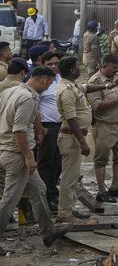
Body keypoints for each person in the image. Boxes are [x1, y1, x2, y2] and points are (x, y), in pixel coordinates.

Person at [0, 66, 69, 246]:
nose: (48, 88)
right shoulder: (27, 98)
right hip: (17, 155)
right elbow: (19, 130)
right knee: (9, 201)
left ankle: (49, 232)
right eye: (48, 84)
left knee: (39, 190)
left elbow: (28, 117)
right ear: (45, 80)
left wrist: (39, 128)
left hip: (8, 150)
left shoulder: (12, 91)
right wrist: (29, 158)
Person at [88, 54, 118, 203]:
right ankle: (101, 191)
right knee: (101, 159)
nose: (116, 70)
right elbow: (97, 105)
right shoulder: (94, 82)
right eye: (114, 67)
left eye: (117, 67)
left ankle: (114, 187)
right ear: (104, 65)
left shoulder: (117, 77)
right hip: (104, 125)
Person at [55, 57, 93, 221]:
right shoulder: (67, 90)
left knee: (73, 176)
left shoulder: (72, 85)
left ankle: (68, 209)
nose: (80, 69)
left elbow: (85, 88)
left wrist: (107, 85)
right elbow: (71, 119)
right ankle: (64, 213)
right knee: (69, 178)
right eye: (78, 66)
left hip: (74, 137)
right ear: (72, 70)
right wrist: (83, 143)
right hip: (71, 138)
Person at [36, 51, 62, 213]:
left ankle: (52, 192)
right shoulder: (41, 82)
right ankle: (45, 197)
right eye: (50, 64)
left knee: (58, 163)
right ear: (43, 64)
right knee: (45, 163)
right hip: (47, 127)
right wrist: (39, 130)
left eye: (56, 63)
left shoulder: (60, 79)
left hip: (61, 126)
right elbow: (34, 107)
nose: (53, 66)